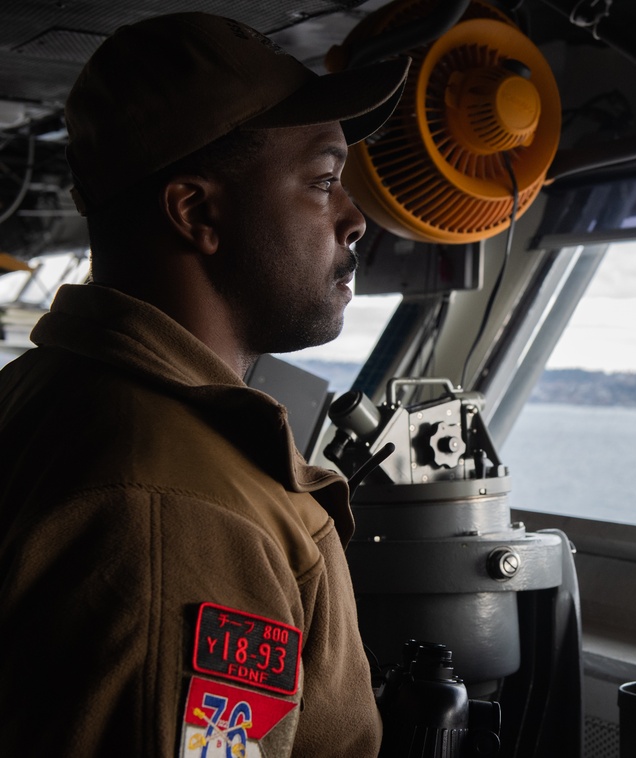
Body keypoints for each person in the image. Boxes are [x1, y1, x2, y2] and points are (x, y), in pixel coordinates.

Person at [0, 12, 409, 757]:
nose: (354, 220)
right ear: (196, 211)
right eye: (322, 182)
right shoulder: (180, 513)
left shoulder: (41, 392)